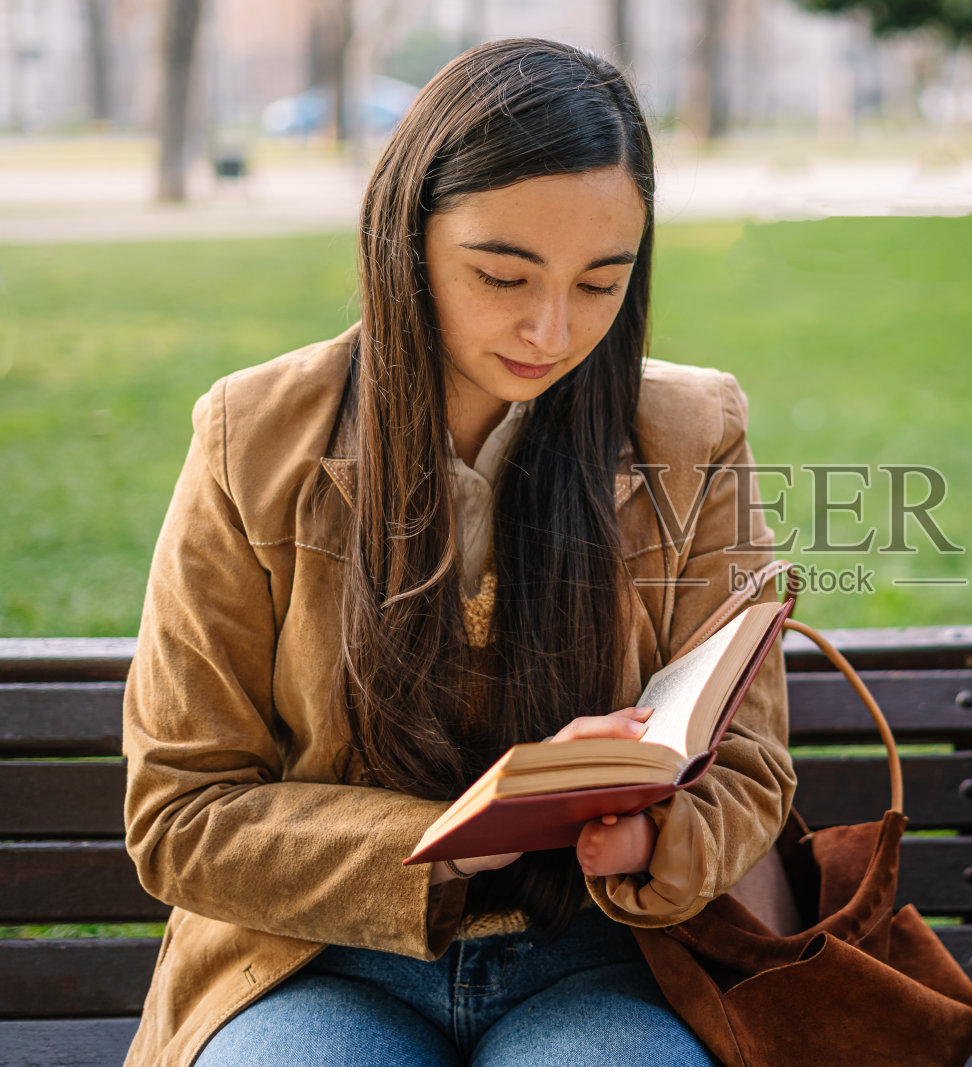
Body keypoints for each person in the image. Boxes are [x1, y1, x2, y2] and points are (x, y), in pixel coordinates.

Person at [121, 39, 794, 1067]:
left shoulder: (690, 432)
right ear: (407, 236)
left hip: (601, 954)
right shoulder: (251, 435)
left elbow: (747, 758)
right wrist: (448, 842)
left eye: (601, 282)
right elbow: (179, 810)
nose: (550, 327)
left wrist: (656, 840)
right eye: (502, 273)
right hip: (310, 957)